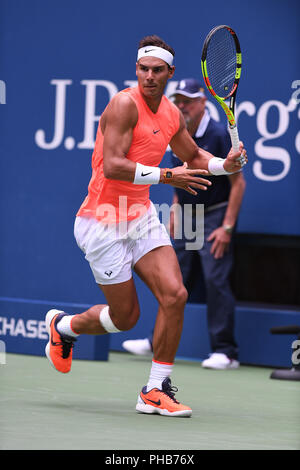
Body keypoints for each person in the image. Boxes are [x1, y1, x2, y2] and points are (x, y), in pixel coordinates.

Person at [45, 36, 247, 418]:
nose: (149, 77)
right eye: (143, 69)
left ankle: (155, 390)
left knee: (175, 295)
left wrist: (224, 165)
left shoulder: (172, 113)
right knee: (126, 319)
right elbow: (113, 165)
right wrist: (169, 176)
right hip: (102, 219)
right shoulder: (124, 104)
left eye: (157, 70)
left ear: (170, 73)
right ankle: (64, 326)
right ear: (137, 70)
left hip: (138, 215)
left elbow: (195, 155)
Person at [122, 78, 246, 370]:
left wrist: (227, 227)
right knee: (172, 279)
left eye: (189, 100)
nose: (182, 106)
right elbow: (182, 176)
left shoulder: (217, 134)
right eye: (178, 101)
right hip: (187, 214)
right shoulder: (173, 130)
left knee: (216, 280)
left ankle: (226, 353)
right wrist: (176, 211)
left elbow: (238, 184)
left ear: (203, 102)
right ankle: (155, 341)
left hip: (215, 215)